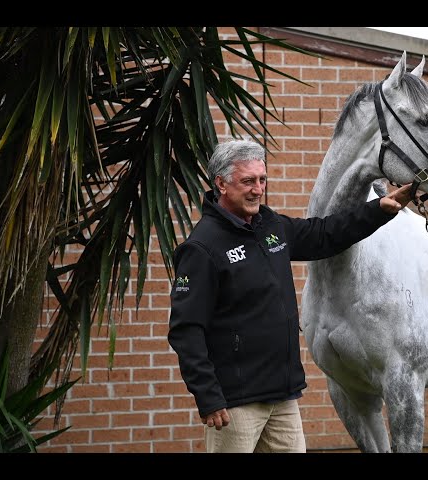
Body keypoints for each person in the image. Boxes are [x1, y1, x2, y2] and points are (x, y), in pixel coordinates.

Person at [168, 139, 412, 453]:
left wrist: (379, 210)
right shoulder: (202, 248)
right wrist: (208, 396)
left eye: (262, 179)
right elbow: (186, 330)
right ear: (221, 184)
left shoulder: (269, 225)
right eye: (248, 181)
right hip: (236, 405)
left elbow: (324, 234)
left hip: (282, 396)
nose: (258, 189)